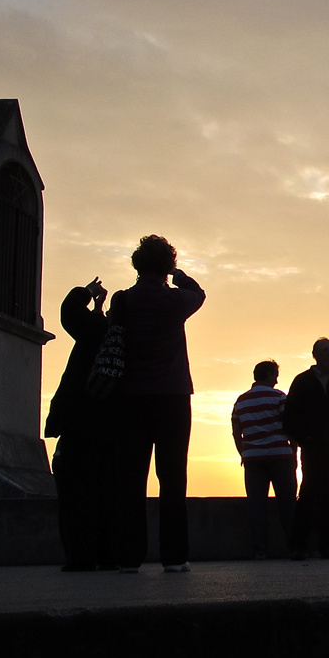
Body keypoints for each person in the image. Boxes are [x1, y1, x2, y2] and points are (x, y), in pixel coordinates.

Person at [107, 235, 205, 573]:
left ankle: (129, 556)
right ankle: (174, 557)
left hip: (130, 397)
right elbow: (200, 294)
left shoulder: (123, 301)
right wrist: (179, 275)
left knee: (131, 478)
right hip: (172, 396)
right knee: (173, 477)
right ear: (167, 264)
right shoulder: (176, 301)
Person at [45, 278, 114, 571]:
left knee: (74, 494)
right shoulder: (129, 338)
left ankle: (80, 557)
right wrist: (100, 312)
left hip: (80, 422)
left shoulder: (97, 332)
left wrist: (87, 293)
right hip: (113, 428)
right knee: (107, 494)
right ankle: (108, 556)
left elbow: (70, 312)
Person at [283, 339, 329, 560]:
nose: (328, 354)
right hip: (312, 447)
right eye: (324, 351)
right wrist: (303, 438)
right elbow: (290, 416)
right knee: (307, 493)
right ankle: (298, 546)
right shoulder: (302, 382)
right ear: (314, 354)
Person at [231, 360, 296, 560]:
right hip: (280, 456)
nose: (276, 379)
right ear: (268, 374)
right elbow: (290, 427)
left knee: (256, 505)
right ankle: (294, 547)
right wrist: (293, 452)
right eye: (275, 374)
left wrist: (245, 453)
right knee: (287, 504)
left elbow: (236, 433)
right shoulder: (279, 397)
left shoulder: (241, 401)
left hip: (253, 459)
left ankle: (260, 549)